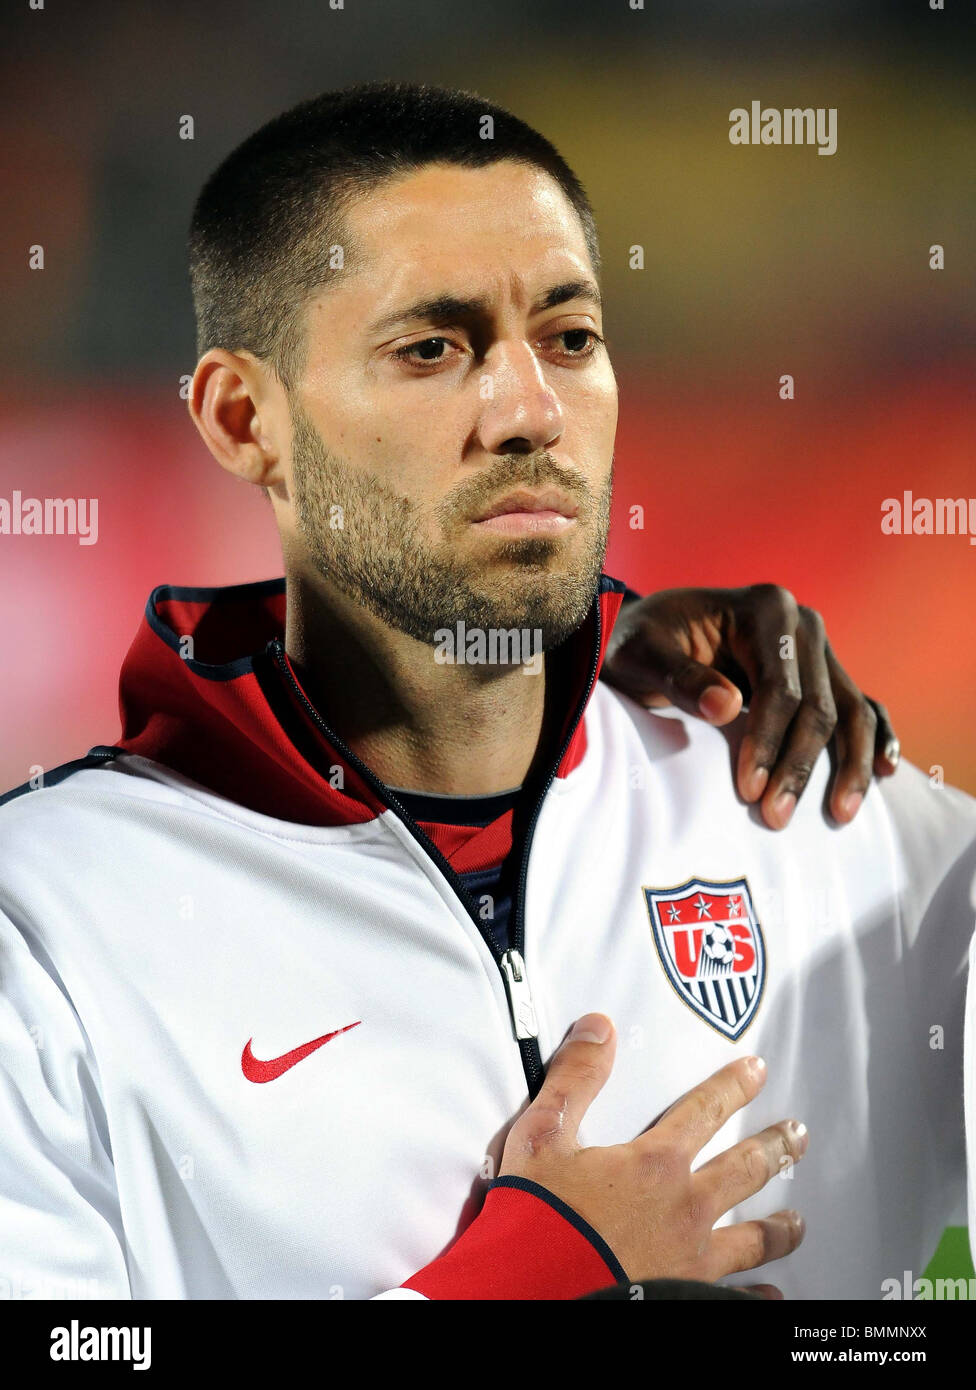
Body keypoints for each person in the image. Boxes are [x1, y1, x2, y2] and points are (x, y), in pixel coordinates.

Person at [0, 81, 972, 1302]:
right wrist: (537, 1278)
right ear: (246, 419)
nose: (531, 412)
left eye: (569, 339)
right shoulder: (42, 931)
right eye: (432, 348)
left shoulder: (845, 827)